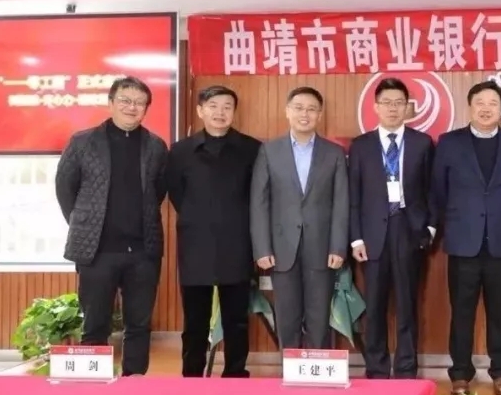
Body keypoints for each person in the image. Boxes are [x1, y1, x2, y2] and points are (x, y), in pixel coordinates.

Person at [54, 76, 169, 376]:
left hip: (143, 251)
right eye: (125, 100)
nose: (132, 107)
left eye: (140, 103)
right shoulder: (83, 142)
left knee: (139, 325)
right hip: (97, 251)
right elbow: (65, 188)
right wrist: (84, 223)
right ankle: (91, 387)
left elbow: (158, 191)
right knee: (95, 324)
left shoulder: (156, 146)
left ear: (146, 109)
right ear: (110, 103)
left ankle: (134, 384)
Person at [432, 81, 501, 395]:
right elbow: (440, 190)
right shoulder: (449, 143)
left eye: (493, 103)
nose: (486, 109)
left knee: (500, 310)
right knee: (461, 311)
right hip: (463, 241)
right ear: (470, 106)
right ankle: (460, 373)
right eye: (480, 103)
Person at [167, 85, 261, 377]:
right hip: (196, 244)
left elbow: (258, 196)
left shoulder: (252, 149)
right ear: (200, 110)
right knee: (195, 320)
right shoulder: (181, 151)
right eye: (213, 106)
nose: (220, 112)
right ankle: (192, 376)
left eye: (227, 107)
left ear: (234, 112)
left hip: (238, 244)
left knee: (237, 320)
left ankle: (235, 373)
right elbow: (177, 194)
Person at [349, 77, 436, 379]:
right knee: (374, 306)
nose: (392, 108)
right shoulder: (361, 146)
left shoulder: (422, 143)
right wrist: (356, 238)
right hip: (372, 235)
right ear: (375, 107)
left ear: (407, 107)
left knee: (407, 305)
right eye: (386, 103)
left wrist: (430, 229)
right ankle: (376, 369)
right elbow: (354, 195)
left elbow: (433, 190)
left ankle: (406, 369)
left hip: (409, 231)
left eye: (399, 103)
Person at [250, 86, 349, 350]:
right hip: (281, 249)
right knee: (287, 318)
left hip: (322, 248)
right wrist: (262, 248)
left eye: (311, 109)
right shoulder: (269, 151)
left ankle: (316, 368)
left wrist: (338, 246)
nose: (305, 114)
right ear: (287, 111)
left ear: (320, 114)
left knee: (319, 318)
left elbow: (341, 202)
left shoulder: (334, 153)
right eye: (299, 108)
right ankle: (290, 369)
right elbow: (259, 203)